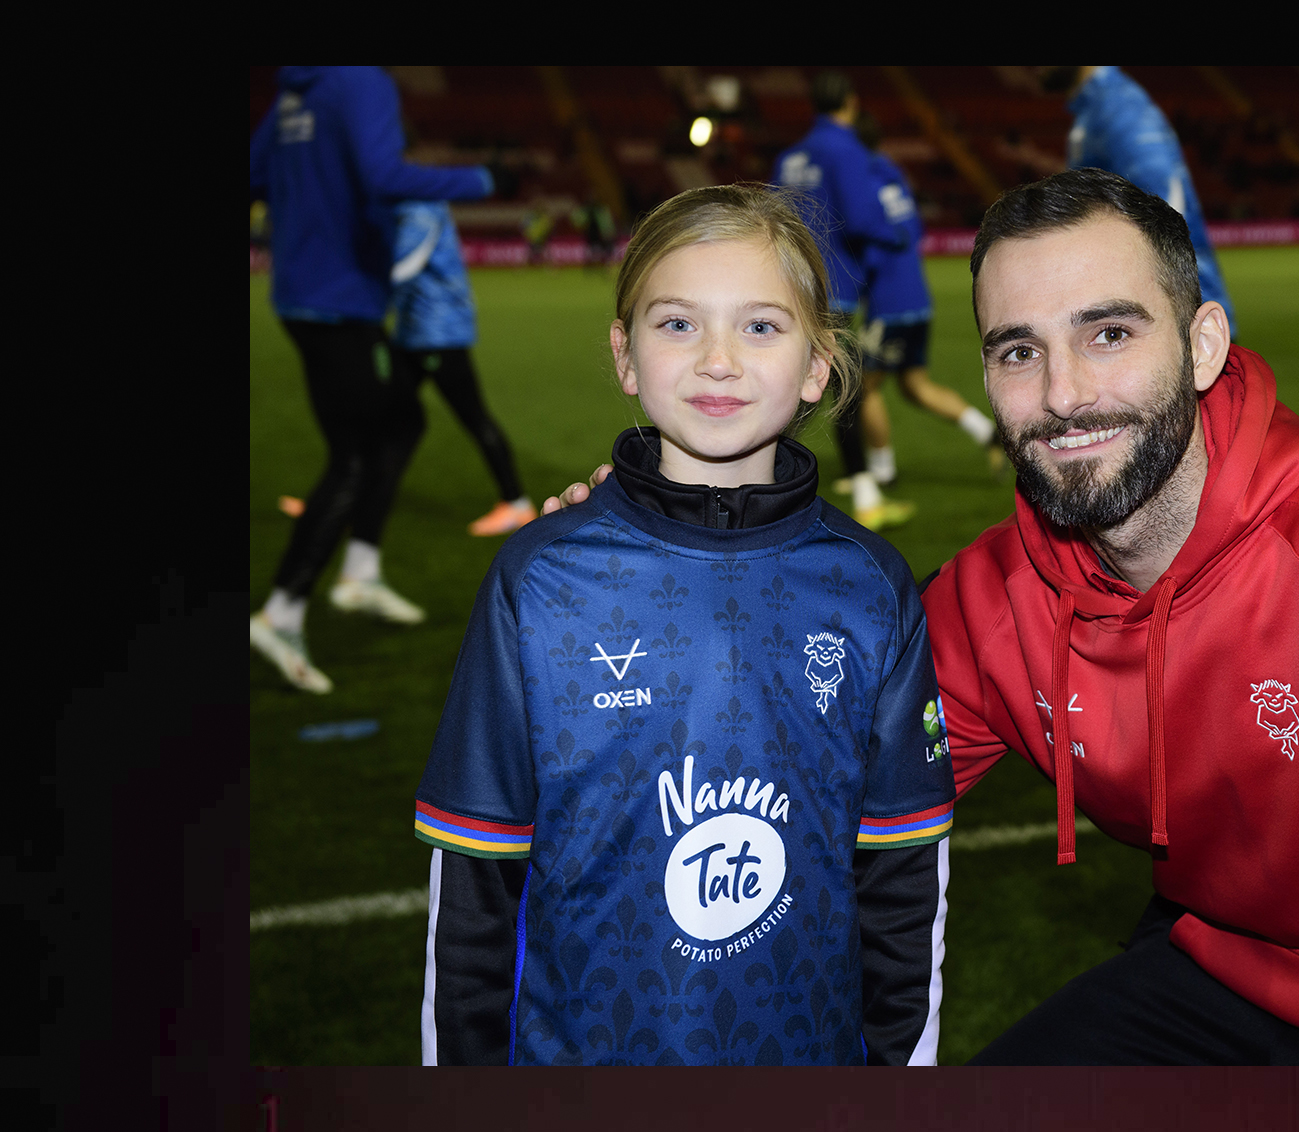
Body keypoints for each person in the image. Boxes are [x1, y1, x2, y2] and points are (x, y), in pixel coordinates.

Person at [542, 168, 1299, 1066]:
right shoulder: (992, 602)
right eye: (1018, 350)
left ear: (1202, 345)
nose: (1063, 394)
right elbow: (797, 785)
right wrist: (655, 582)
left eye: (1108, 333)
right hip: (1221, 974)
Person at [414, 184, 955, 1066]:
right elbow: (474, 891)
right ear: (625, 355)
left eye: (761, 326)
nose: (717, 361)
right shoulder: (540, 579)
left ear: (818, 365)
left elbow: (903, 886)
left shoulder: (870, 588)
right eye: (677, 324)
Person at [249, 66, 497, 694]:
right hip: (340, 298)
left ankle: (360, 571)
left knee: (402, 421)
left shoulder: (295, 89)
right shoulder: (361, 81)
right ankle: (281, 613)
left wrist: (313, 209)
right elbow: (383, 175)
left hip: (301, 292)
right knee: (355, 458)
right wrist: (479, 178)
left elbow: (256, 172)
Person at [775, 71, 915, 531]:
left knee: (801, 389)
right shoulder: (847, 149)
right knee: (842, 391)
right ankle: (864, 497)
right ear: (850, 103)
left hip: (786, 285)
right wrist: (897, 234)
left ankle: (742, 482)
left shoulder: (791, 156)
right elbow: (859, 217)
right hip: (832, 287)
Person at [850, 109, 1007, 489]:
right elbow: (913, 230)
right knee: (915, 386)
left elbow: (865, 237)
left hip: (888, 303)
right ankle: (985, 431)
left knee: (863, 389)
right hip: (917, 297)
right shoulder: (892, 174)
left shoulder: (858, 181)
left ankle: (883, 472)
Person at [1043, 67, 1236, 333]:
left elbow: (1168, 210)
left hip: (1183, 324)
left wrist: (1182, 322)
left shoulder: (1120, 108)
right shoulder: (1097, 109)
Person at [388, 199, 537, 537]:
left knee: (473, 417)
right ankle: (344, 494)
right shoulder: (413, 206)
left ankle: (516, 503)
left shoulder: (421, 209)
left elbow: (403, 267)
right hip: (414, 332)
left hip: (437, 334)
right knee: (386, 415)